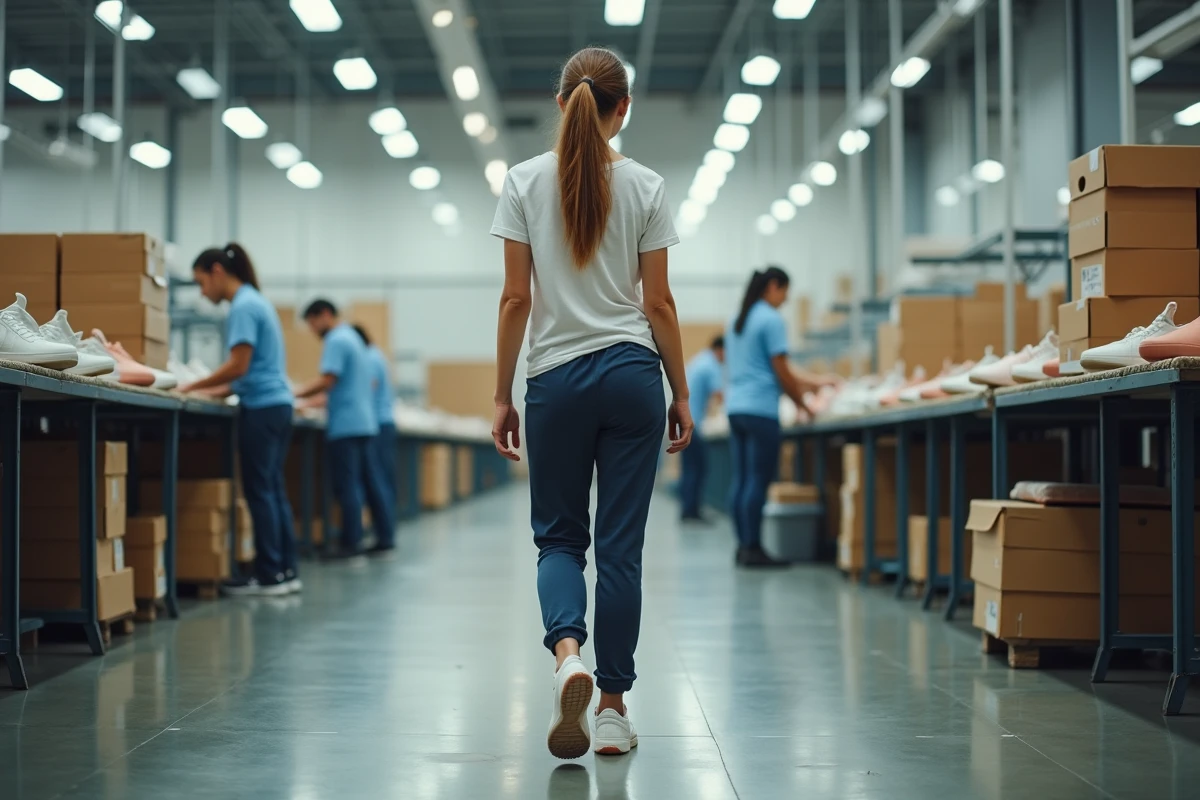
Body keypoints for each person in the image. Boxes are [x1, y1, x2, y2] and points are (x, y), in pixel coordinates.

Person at [490, 46, 691, 760]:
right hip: (634, 375)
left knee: (559, 540)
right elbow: (658, 302)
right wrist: (682, 390)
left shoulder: (521, 182)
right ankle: (611, 708)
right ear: (622, 108)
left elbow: (516, 298)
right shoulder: (647, 186)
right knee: (621, 551)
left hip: (554, 381)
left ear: (560, 103)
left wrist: (501, 394)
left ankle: (567, 655)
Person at [181, 244, 299, 596]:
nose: (202, 292)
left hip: (262, 409)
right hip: (277, 405)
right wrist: (204, 391)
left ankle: (268, 575)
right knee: (273, 490)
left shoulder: (243, 306)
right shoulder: (257, 301)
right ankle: (284, 570)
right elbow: (244, 375)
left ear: (217, 271)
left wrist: (190, 384)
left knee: (260, 491)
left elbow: (238, 366)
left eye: (202, 283)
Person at [725, 266, 830, 568]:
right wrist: (804, 404)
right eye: (785, 292)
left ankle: (743, 546)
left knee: (742, 479)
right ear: (773, 286)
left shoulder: (737, 320)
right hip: (760, 409)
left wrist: (809, 387)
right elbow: (782, 371)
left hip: (737, 408)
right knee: (758, 480)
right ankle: (754, 548)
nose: (785, 300)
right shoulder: (771, 320)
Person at [294, 300, 396, 557]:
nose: (312, 329)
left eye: (312, 322)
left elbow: (329, 379)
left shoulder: (337, 340)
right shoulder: (354, 339)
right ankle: (381, 537)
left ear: (325, 315)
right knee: (369, 483)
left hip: (347, 424)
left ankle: (351, 544)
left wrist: (294, 394)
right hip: (364, 422)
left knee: (348, 485)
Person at [354, 324, 398, 538]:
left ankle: (385, 536)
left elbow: (367, 387)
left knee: (376, 480)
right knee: (381, 479)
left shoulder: (369, 358)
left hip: (377, 423)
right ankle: (385, 533)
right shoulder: (376, 355)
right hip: (382, 422)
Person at [679, 336, 725, 522]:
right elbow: (719, 395)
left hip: (683, 421)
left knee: (690, 469)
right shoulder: (710, 365)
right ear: (720, 350)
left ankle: (688, 510)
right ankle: (692, 512)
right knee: (697, 469)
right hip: (694, 423)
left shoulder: (699, 360)